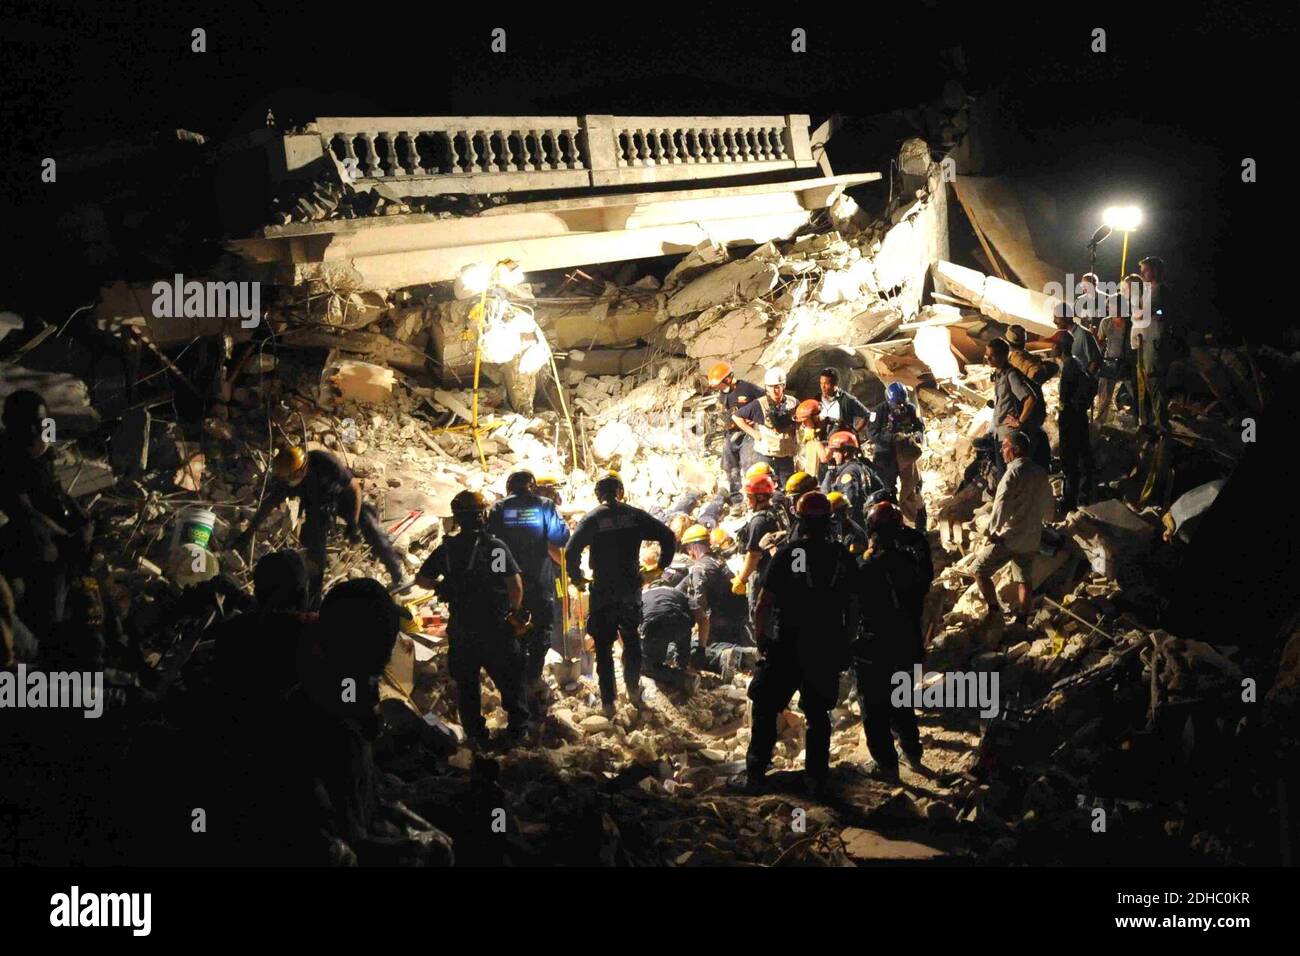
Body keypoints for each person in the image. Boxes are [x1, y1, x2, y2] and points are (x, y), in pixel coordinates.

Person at [745, 492, 859, 796]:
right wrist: (846, 643)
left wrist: (761, 639)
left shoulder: (788, 554)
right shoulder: (842, 556)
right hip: (825, 646)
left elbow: (763, 603)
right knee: (818, 714)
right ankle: (816, 778)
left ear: (800, 520)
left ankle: (756, 773)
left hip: (787, 644)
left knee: (767, 705)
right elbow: (854, 606)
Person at [416, 490, 530, 746]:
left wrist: (440, 587)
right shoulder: (495, 549)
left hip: (462, 629)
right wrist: (515, 611)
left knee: (467, 686)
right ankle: (517, 732)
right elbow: (514, 584)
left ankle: (476, 737)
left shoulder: (447, 550)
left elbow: (421, 580)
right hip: (496, 627)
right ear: (482, 516)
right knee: (510, 680)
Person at [232, 446, 412, 601]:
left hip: (343, 498)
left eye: (290, 477)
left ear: (302, 469)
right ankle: (313, 600)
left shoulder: (323, 461)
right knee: (314, 552)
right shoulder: (286, 481)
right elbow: (268, 505)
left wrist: (353, 523)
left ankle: (398, 575)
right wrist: (249, 533)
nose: (287, 481)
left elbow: (355, 488)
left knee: (370, 525)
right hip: (318, 508)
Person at [564, 473, 676, 715]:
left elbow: (571, 550)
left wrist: (577, 577)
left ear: (598, 495)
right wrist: (659, 566)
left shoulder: (593, 518)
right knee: (632, 639)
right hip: (629, 590)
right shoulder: (634, 515)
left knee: (603, 647)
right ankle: (634, 691)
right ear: (621, 492)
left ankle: (608, 703)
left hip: (603, 591)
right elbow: (668, 535)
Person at [0, 389, 94, 640]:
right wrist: (64, 535)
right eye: (29, 425)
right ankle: (48, 634)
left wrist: (81, 517)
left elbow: (56, 489)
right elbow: (23, 511)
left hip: (48, 526)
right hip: (21, 538)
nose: (38, 431)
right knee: (49, 553)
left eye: (41, 424)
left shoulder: (42, 448)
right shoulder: (8, 456)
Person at [854, 501, 928, 782]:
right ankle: (912, 751)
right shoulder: (911, 564)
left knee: (873, 706)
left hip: (874, 645)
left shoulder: (865, 566)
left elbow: (853, 609)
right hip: (906, 640)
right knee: (902, 698)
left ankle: (886, 764)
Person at [487, 470, 571, 714]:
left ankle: (515, 680)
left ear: (509, 487)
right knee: (542, 627)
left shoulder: (499, 508)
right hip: (540, 581)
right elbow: (561, 537)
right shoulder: (544, 506)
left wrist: (498, 577)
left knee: (512, 628)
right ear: (531, 487)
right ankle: (533, 676)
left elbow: (492, 545)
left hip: (510, 582)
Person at [970, 432, 1054, 626]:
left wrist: (992, 532)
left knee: (978, 570)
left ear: (1015, 450)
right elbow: (1049, 506)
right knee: (1024, 578)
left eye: (1005, 446)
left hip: (1010, 537)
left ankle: (994, 610)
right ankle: (1023, 619)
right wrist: (1046, 521)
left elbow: (1001, 506)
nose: (1001, 450)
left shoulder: (1012, 473)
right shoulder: (1040, 472)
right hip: (1031, 537)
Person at [680, 523, 756, 681]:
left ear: (693, 547)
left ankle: (734, 653)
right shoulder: (718, 561)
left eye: (688, 549)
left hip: (720, 622)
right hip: (739, 618)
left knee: (695, 648)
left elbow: (699, 604)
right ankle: (745, 654)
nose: (688, 553)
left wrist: (695, 628)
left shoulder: (699, 568)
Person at [865, 382, 926, 525]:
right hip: (885, 456)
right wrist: (892, 437)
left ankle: (917, 524)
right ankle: (889, 522)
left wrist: (917, 435)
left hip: (905, 454)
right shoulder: (878, 411)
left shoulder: (910, 409)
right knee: (887, 490)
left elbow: (919, 426)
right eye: (897, 404)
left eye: (902, 404)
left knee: (913, 488)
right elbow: (872, 434)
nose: (900, 408)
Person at [986, 338, 1048, 475]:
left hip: (1009, 437)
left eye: (992, 355)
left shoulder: (1011, 375)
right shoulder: (998, 375)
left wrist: (1019, 421)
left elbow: (1030, 399)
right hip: (999, 434)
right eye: (987, 354)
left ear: (1002, 356)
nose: (988, 358)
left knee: (1010, 477)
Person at [732, 367, 798, 488]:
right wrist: (753, 433)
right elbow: (736, 417)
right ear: (767, 387)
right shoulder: (759, 404)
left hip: (786, 456)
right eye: (771, 387)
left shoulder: (793, 403)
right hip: (767, 456)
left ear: (783, 385)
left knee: (788, 488)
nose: (775, 390)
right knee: (767, 489)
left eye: (778, 386)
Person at [733, 471, 786, 620]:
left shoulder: (759, 522)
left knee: (760, 616)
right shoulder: (777, 510)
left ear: (760, 497)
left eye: (749, 497)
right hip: (778, 572)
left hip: (763, 574)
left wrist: (741, 579)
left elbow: (754, 555)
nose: (747, 501)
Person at [1053, 330, 1096, 512]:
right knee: (1082, 455)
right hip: (1079, 417)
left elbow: (1065, 399)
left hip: (1071, 419)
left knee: (1069, 459)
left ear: (1060, 348)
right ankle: (1084, 494)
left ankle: (1070, 501)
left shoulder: (1069, 367)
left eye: (1054, 344)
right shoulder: (1077, 363)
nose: (1051, 347)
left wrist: (1062, 416)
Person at [708, 361, 763, 499]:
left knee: (748, 463)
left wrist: (756, 417)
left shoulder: (746, 388)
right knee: (730, 465)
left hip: (747, 433)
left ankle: (755, 496)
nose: (717, 387)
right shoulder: (722, 394)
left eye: (719, 383)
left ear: (727, 379)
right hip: (731, 434)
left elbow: (765, 399)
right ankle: (736, 497)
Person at [639, 565, 695, 687]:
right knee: (683, 630)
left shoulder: (642, 596)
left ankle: (683, 680)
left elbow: (626, 627)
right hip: (682, 622)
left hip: (656, 625)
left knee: (646, 666)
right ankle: (683, 665)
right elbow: (702, 619)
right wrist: (700, 648)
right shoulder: (677, 593)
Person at [818, 430, 880, 529]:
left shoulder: (848, 474)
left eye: (835, 452)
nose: (833, 455)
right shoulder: (862, 466)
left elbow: (849, 502)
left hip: (853, 525)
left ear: (845, 453)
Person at [1095, 275, 1135, 423]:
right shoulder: (1105, 323)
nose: (1109, 309)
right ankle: (1101, 422)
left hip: (1127, 362)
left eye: (1111, 306)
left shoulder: (1130, 323)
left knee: (1135, 393)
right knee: (1104, 396)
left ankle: (1141, 421)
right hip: (1109, 362)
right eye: (1108, 306)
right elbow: (1099, 342)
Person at [1054, 300, 1102, 380]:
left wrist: (1085, 382)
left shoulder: (1083, 334)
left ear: (1068, 317)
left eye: (1057, 317)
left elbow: (1095, 361)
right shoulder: (1064, 336)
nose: (1054, 321)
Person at [816, 367, 870, 437]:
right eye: (821, 383)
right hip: (821, 444)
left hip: (842, 444)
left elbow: (866, 415)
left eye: (826, 383)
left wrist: (853, 432)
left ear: (835, 384)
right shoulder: (817, 399)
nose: (823, 387)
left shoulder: (847, 400)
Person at [793, 399, 826, 479]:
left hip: (822, 470)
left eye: (805, 421)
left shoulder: (828, 428)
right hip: (804, 468)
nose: (803, 423)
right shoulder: (802, 430)